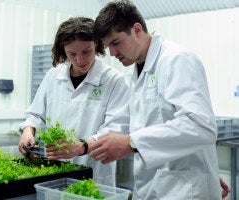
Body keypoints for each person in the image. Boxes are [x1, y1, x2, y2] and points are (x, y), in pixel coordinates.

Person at [90, 0, 222, 199]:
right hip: (153, 186)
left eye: (116, 43)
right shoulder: (137, 71)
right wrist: (87, 145)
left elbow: (201, 126)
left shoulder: (176, 60)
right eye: (108, 46)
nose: (113, 53)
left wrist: (131, 142)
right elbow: (133, 123)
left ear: (137, 29)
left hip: (185, 189)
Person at [18, 16, 129, 186]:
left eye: (86, 51)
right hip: (54, 169)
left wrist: (82, 147)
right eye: (72, 54)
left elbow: (116, 129)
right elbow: (35, 114)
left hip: (93, 172)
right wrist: (28, 130)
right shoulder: (53, 76)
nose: (80, 60)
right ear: (63, 51)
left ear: (97, 45)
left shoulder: (114, 80)